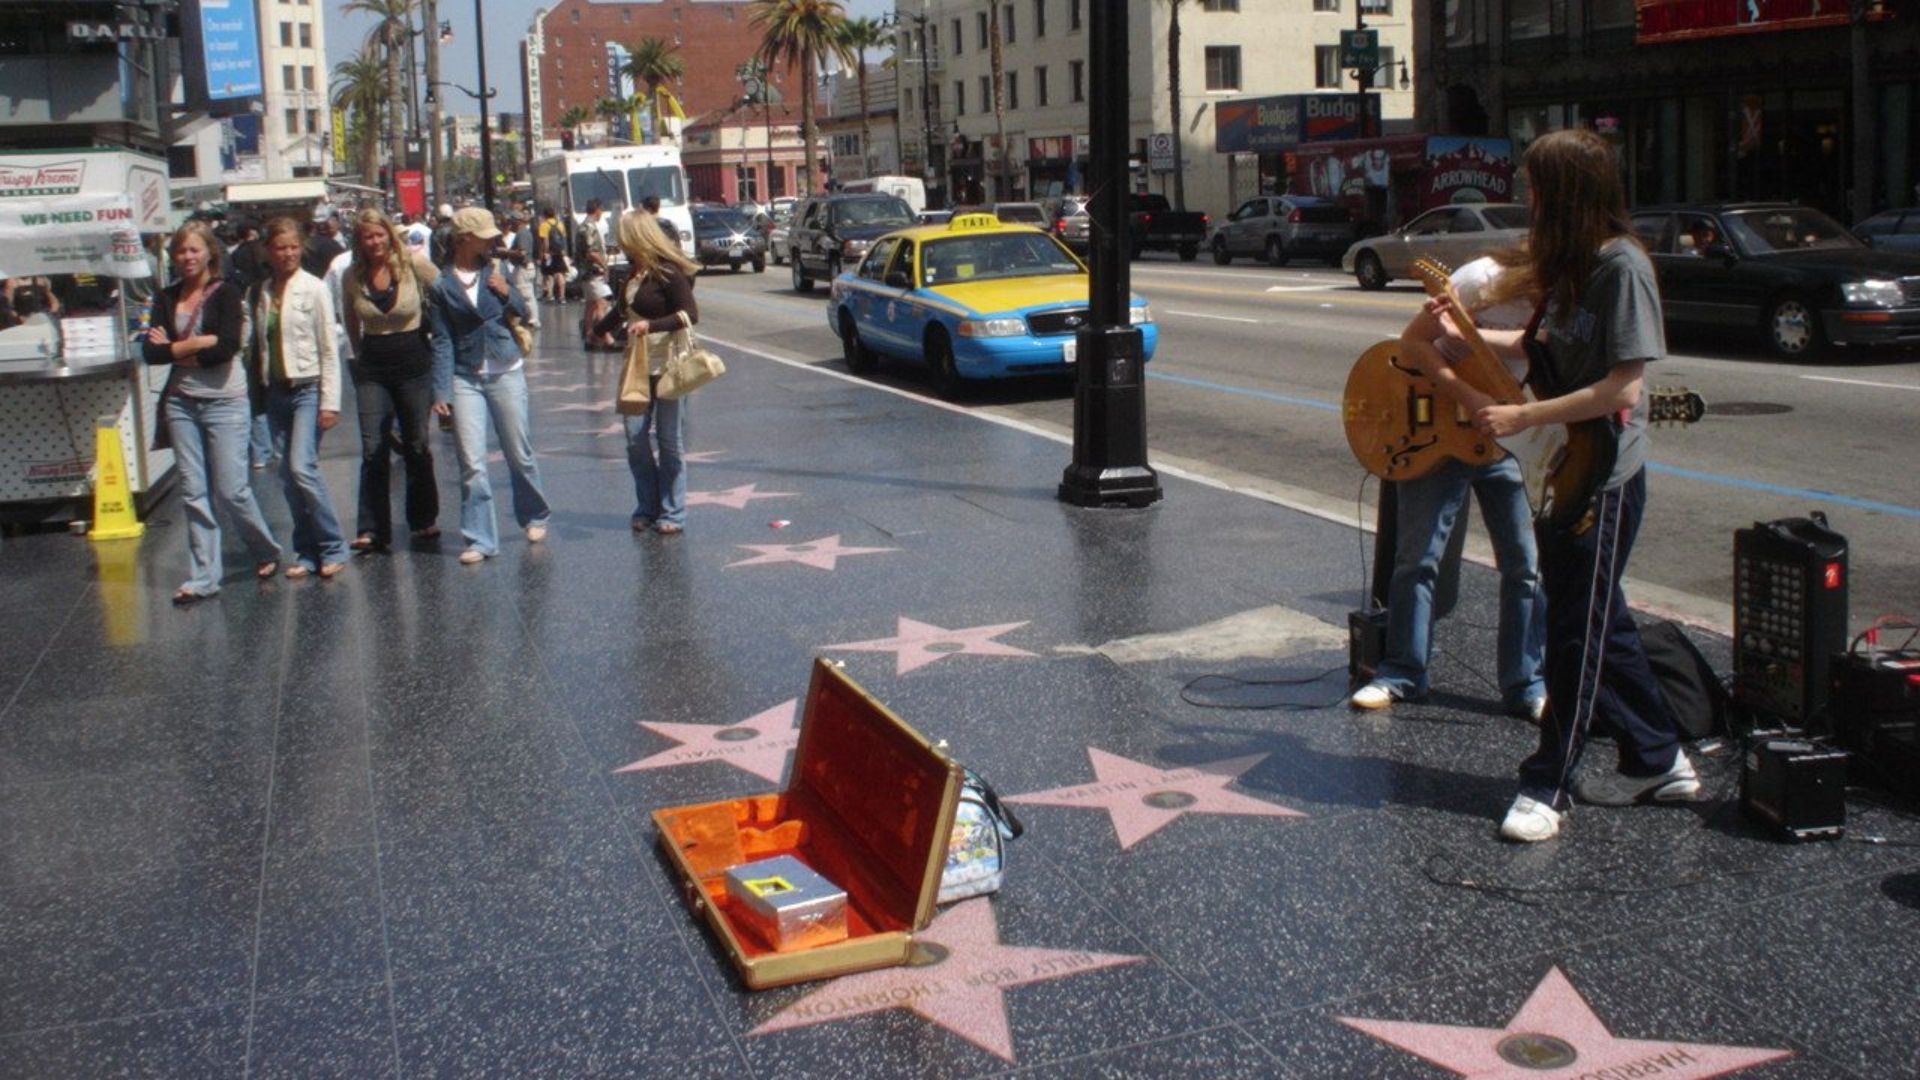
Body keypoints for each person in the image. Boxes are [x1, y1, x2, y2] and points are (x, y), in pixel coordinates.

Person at [1425, 129, 1695, 843]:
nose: (1528, 197)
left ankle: (1550, 781)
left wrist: (1521, 413)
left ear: (1571, 190)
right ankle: (1661, 756)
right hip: (1562, 465)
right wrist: (1465, 341)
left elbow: (1622, 384)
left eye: (1537, 185)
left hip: (1602, 473)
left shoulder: (1621, 266)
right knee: (1599, 614)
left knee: (1575, 628)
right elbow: (1548, 348)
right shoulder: (1571, 265)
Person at [1349, 252, 1546, 723]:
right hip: (1444, 429)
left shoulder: (1573, 289)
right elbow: (1415, 341)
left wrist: (1474, 339)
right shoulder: (1481, 278)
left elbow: (1548, 346)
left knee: (1525, 565)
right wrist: (1469, 395)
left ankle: (1526, 682)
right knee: (1417, 558)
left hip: (1509, 438)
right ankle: (1402, 672)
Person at [143, 222, 281, 603]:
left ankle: (265, 548)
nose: (187, 257)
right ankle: (204, 576)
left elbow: (227, 348)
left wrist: (175, 345)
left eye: (194, 250)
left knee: (231, 490)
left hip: (225, 400)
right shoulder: (166, 296)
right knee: (193, 491)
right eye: (180, 251)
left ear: (209, 253)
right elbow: (150, 352)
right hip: (181, 401)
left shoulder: (226, 292)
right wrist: (196, 342)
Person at [426, 207, 551, 565]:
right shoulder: (441, 285)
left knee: (518, 452)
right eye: (485, 235)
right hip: (465, 375)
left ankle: (535, 515)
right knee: (472, 462)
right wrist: (441, 392)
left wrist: (506, 291)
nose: (492, 239)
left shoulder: (494, 271)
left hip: (505, 367)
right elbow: (442, 339)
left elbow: (524, 313)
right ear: (466, 239)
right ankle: (480, 538)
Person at [253, 216, 351, 580]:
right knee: (287, 475)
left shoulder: (313, 288)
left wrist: (330, 401)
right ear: (269, 250)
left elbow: (329, 347)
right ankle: (306, 549)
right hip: (276, 390)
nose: (288, 253)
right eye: (281, 247)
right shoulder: (261, 292)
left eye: (293, 246)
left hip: (308, 389)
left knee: (302, 468)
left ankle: (332, 545)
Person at [342, 208, 442, 552]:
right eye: (367, 237)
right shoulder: (352, 276)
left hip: (414, 361)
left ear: (389, 234)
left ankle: (423, 518)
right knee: (373, 448)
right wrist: (357, 358)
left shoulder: (412, 264)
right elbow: (351, 320)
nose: (374, 242)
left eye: (379, 234)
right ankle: (372, 529)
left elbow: (444, 289)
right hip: (373, 367)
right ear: (360, 241)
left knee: (416, 444)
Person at [597, 210, 700, 535]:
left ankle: (673, 511)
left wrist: (650, 325)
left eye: (624, 238)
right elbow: (623, 309)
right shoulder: (634, 274)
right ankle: (648, 504)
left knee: (669, 441)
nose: (620, 244)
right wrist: (599, 329)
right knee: (634, 439)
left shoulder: (668, 272)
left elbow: (690, 315)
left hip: (669, 364)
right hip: (637, 366)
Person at [575, 199, 614, 348]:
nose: (601, 214)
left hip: (586, 273)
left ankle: (589, 336)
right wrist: (604, 265)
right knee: (602, 303)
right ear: (597, 210)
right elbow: (591, 252)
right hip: (592, 272)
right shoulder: (589, 227)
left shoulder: (584, 226)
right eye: (601, 210)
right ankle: (606, 338)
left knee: (591, 305)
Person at [504, 212, 541, 328]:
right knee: (527, 293)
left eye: (512, 222)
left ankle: (532, 319)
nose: (510, 225)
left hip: (523, 267)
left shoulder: (522, 234)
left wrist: (508, 252)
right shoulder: (523, 232)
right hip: (525, 266)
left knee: (525, 294)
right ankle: (531, 318)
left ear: (517, 222)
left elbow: (522, 252)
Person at [301, 207, 345, 278]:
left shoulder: (349, 238)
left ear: (336, 220)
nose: (321, 226)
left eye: (324, 222)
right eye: (317, 223)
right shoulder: (311, 245)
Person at [538, 207, 570, 303]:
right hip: (559, 253)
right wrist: (564, 251)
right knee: (560, 273)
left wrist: (544, 253)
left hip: (549, 253)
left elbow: (545, 241)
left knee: (548, 274)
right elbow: (564, 239)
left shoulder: (544, 225)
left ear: (545, 215)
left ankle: (550, 296)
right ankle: (562, 297)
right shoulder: (560, 224)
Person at [430, 203, 456, 269]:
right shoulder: (455, 230)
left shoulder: (435, 232)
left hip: (441, 265)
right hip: (454, 264)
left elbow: (434, 253)